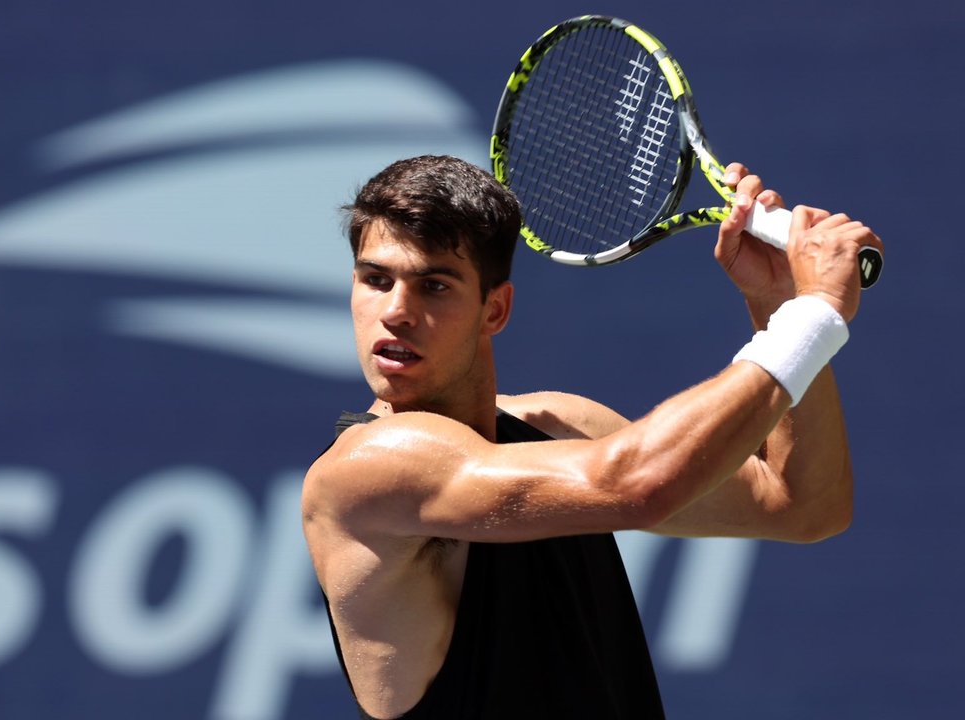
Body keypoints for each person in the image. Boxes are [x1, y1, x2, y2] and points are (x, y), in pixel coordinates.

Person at [301, 155, 882, 719]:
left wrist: (777, 304)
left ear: (494, 310)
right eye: (375, 280)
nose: (395, 311)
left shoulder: (557, 425)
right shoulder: (368, 470)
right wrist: (813, 315)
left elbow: (805, 506)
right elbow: (637, 484)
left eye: (434, 286)